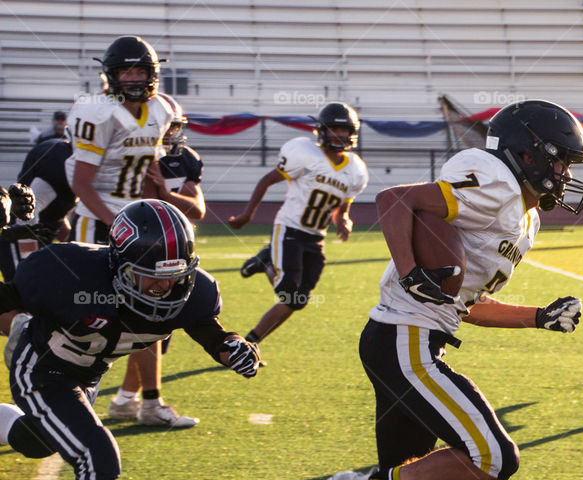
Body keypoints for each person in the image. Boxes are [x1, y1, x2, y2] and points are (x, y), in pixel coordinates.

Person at [258, 99, 583, 480]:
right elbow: (393, 201)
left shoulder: (521, 214)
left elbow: (469, 305)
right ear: (527, 153)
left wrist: (539, 317)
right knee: (492, 458)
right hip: (403, 338)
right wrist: (412, 270)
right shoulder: (496, 182)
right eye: (560, 162)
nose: (565, 175)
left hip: (411, 338)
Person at [0, 199, 261, 480]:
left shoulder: (192, 292)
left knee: (38, 440)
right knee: (97, 455)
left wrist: (231, 347)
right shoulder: (66, 272)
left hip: (87, 376)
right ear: (118, 265)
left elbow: (208, 329)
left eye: (173, 279)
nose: (161, 290)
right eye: (147, 279)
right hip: (43, 369)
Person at [63, 35, 195, 428]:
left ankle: (142, 402)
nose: (134, 78)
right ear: (112, 75)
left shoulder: (161, 109)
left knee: (149, 311)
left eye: (141, 70)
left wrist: (159, 211)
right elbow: (81, 183)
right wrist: (117, 223)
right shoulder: (98, 112)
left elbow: (153, 171)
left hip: (136, 222)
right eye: (126, 71)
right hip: (98, 219)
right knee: (89, 314)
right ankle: (64, 392)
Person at [227, 102, 367, 345]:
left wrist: (343, 221)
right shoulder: (304, 152)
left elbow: (341, 209)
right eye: (334, 129)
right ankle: (268, 260)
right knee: (290, 295)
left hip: (316, 238)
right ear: (322, 130)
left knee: (297, 301)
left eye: (344, 130)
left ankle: (251, 342)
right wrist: (247, 215)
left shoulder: (355, 170)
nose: (340, 135)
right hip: (290, 230)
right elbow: (266, 181)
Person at [108, 92, 208, 421]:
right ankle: (140, 401)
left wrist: (167, 193)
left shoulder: (185, 160)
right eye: (164, 128)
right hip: (134, 250)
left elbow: (198, 210)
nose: (169, 135)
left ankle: (125, 401)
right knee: (144, 323)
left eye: (173, 128)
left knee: (155, 328)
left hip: (172, 250)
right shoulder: (129, 154)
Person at [0, 139, 76, 282]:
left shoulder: (60, 150)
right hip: (20, 236)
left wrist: (70, 240)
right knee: (23, 294)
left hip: (36, 236)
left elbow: (51, 206)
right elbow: (28, 214)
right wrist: (30, 260)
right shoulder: (60, 160)